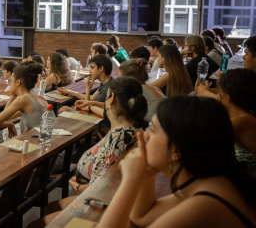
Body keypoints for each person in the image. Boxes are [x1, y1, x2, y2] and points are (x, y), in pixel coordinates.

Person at [98, 96, 256, 228]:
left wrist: (130, 180)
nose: (144, 136)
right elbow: (142, 216)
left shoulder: (205, 203)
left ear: (176, 151)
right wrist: (145, 174)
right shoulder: (205, 181)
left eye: (153, 130)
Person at [33, 77, 148, 226]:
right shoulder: (130, 131)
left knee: (34, 225)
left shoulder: (118, 139)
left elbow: (97, 187)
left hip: (98, 201)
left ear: (111, 99)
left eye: (106, 97)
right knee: (50, 207)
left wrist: (78, 187)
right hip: (104, 194)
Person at [196, 68, 256, 177]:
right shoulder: (247, 113)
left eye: (220, 92)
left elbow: (201, 136)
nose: (218, 95)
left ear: (228, 97)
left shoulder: (241, 122)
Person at [0, 63, 48, 136]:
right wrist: (14, 93)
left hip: (37, 142)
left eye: (10, 81)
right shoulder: (38, 98)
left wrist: (10, 125)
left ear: (18, 82)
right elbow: (7, 116)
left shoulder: (23, 99)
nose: (9, 84)